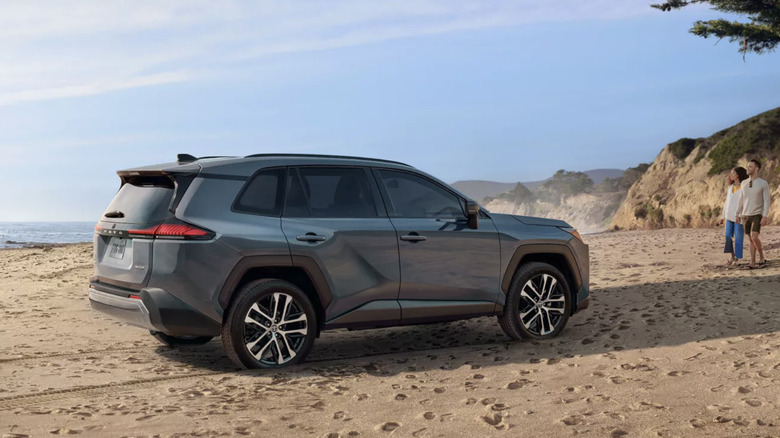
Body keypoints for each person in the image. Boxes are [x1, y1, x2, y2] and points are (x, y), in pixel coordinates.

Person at [736, 159, 771, 269]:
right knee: (750, 239)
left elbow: (766, 201)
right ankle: (752, 262)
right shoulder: (744, 183)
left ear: (757, 168)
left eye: (750, 167)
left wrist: (765, 216)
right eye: (747, 166)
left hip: (757, 214)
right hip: (745, 215)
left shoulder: (763, 183)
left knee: (754, 237)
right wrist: (737, 213)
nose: (748, 168)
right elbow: (741, 199)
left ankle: (761, 257)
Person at [722, 166, 748, 266]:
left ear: (737, 175)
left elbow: (745, 203)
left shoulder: (743, 187)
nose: (730, 175)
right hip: (729, 216)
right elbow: (726, 202)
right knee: (728, 237)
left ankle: (737, 259)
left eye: (732, 173)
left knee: (738, 238)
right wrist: (722, 216)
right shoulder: (730, 187)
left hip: (739, 217)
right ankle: (732, 257)